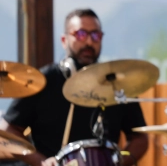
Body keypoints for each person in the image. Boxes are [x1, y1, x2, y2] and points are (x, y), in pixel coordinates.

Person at [0, 9, 148, 166]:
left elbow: (140, 137)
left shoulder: (116, 84)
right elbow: (8, 129)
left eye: (96, 35)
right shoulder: (44, 80)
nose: (89, 42)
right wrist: (41, 161)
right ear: (64, 40)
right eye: (81, 34)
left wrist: (120, 163)